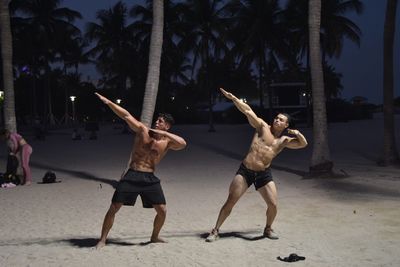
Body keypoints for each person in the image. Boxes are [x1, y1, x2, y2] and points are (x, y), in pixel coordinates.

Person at [205, 88, 308, 242]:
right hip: (245, 171)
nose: (277, 120)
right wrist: (233, 98)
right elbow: (247, 110)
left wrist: (298, 134)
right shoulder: (262, 126)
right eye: (276, 118)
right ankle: (215, 230)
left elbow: (303, 144)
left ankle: (268, 229)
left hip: (263, 174)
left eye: (281, 120)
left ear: (286, 125)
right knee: (231, 200)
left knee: (273, 204)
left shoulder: (283, 141)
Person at [94, 92, 186, 249]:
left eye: (160, 121)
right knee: (114, 207)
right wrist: (108, 102)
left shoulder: (167, 142)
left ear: (167, 126)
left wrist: (164, 134)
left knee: (162, 210)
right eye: (157, 120)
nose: (156, 122)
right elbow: (126, 115)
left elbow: (183, 143)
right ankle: (102, 239)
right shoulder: (143, 130)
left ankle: (154, 237)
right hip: (132, 174)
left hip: (149, 178)